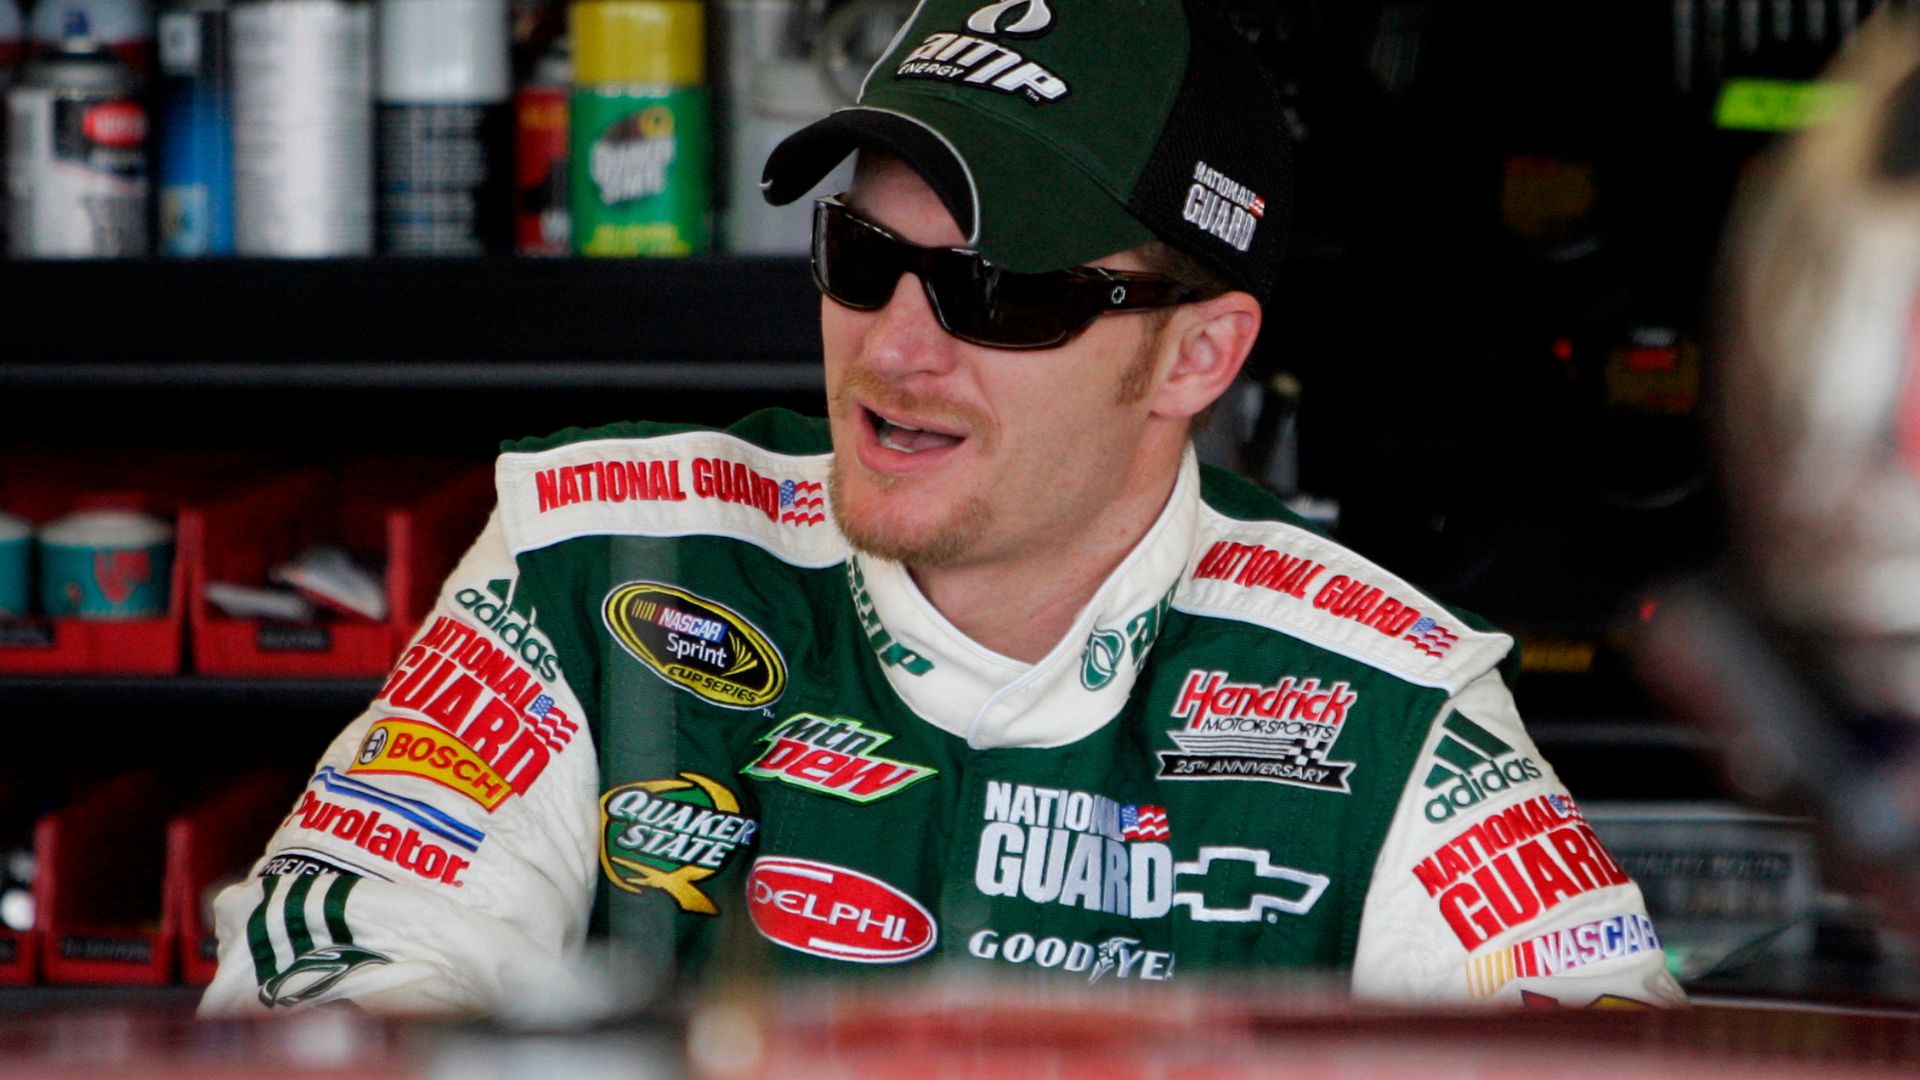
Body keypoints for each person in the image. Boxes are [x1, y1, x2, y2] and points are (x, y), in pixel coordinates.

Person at [201, 0, 1684, 1015]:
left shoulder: (1382, 699)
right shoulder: (596, 555)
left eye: (1004, 290)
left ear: (1199, 354)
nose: (895, 347)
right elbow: (333, 984)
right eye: (860, 253)